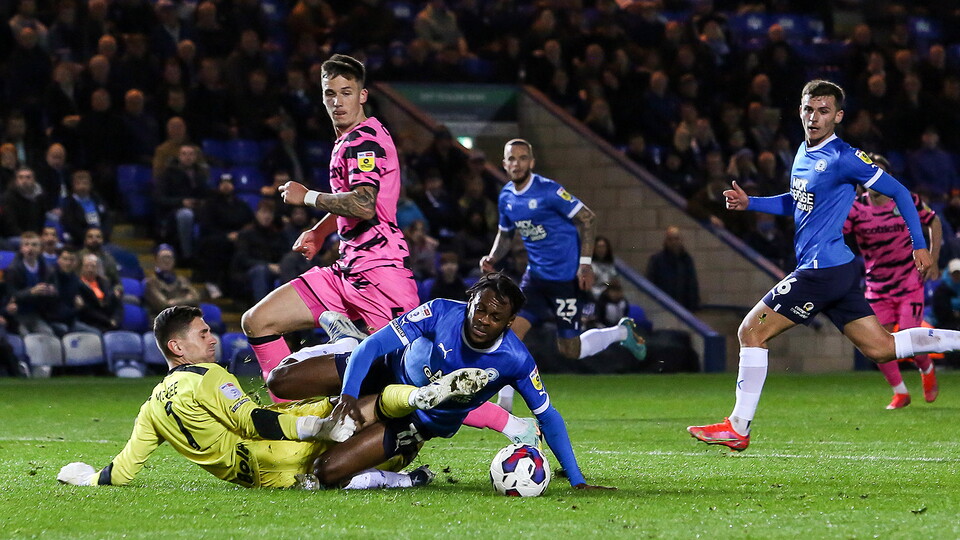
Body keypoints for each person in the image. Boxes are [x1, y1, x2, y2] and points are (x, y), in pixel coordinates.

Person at [688, 80, 960, 452]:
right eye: (809, 109)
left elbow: (898, 192)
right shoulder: (802, 151)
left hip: (821, 270)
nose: (814, 118)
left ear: (838, 116)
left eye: (823, 111)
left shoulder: (844, 157)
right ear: (800, 110)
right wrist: (752, 202)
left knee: (751, 331)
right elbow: (796, 201)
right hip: (837, 270)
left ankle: (738, 427)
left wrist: (919, 246)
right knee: (881, 348)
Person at [56, 305, 484, 490]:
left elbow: (123, 471)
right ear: (177, 348)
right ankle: (424, 395)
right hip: (279, 443)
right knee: (366, 409)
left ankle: (403, 474)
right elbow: (254, 421)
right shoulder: (207, 377)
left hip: (266, 478)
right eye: (202, 333)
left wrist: (86, 477)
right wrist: (316, 425)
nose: (210, 338)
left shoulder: (151, 408)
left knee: (336, 471)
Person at [270, 273, 613, 490]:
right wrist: (348, 393)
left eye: (495, 317)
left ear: (509, 324)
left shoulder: (516, 360)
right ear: (470, 302)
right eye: (479, 309)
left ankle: (405, 477)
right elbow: (375, 345)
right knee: (280, 382)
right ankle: (346, 342)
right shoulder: (440, 312)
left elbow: (548, 415)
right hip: (386, 369)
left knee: (327, 471)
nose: (483, 320)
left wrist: (578, 479)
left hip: (415, 420)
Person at [241, 54, 418, 386]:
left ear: (363, 95)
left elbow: (365, 205)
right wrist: (321, 230)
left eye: (346, 92)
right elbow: (359, 201)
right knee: (258, 321)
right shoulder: (347, 139)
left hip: (380, 272)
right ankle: (286, 418)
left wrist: (307, 197)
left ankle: (512, 422)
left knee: (407, 382)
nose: (337, 102)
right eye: (329, 93)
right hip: (345, 270)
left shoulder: (364, 141)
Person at [480, 138, 646, 412]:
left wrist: (585, 263)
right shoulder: (506, 196)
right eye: (511, 158)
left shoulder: (549, 191)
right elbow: (506, 232)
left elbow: (588, 218)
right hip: (535, 280)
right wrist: (493, 256)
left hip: (566, 281)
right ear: (504, 163)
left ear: (531, 163)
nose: (517, 163)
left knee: (570, 350)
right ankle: (505, 404)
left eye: (522, 158)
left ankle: (620, 333)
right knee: (508, 335)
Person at [843, 153, 942, 409]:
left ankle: (926, 367)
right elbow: (837, 234)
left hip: (909, 281)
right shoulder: (855, 208)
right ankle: (900, 392)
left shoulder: (905, 199)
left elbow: (934, 222)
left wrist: (934, 258)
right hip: (877, 286)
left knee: (909, 337)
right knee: (878, 343)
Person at [646, 226, 701, 311]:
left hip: (683, 309)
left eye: (676, 239)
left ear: (681, 240)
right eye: (670, 239)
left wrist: (693, 307)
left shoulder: (687, 260)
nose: (674, 242)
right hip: (663, 309)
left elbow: (692, 285)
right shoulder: (656, 260)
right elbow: (651, 284)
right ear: (666, 241)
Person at [143, 244, 200, 319]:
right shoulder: (150, 282)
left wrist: (173, 302)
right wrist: (186, 300)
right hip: (162, 323)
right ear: (156, 260)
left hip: (183, 321)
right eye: (163, 257)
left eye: (170, 257)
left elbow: (196, 299)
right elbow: (164, 305)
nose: (167, 261)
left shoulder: (182, 280)